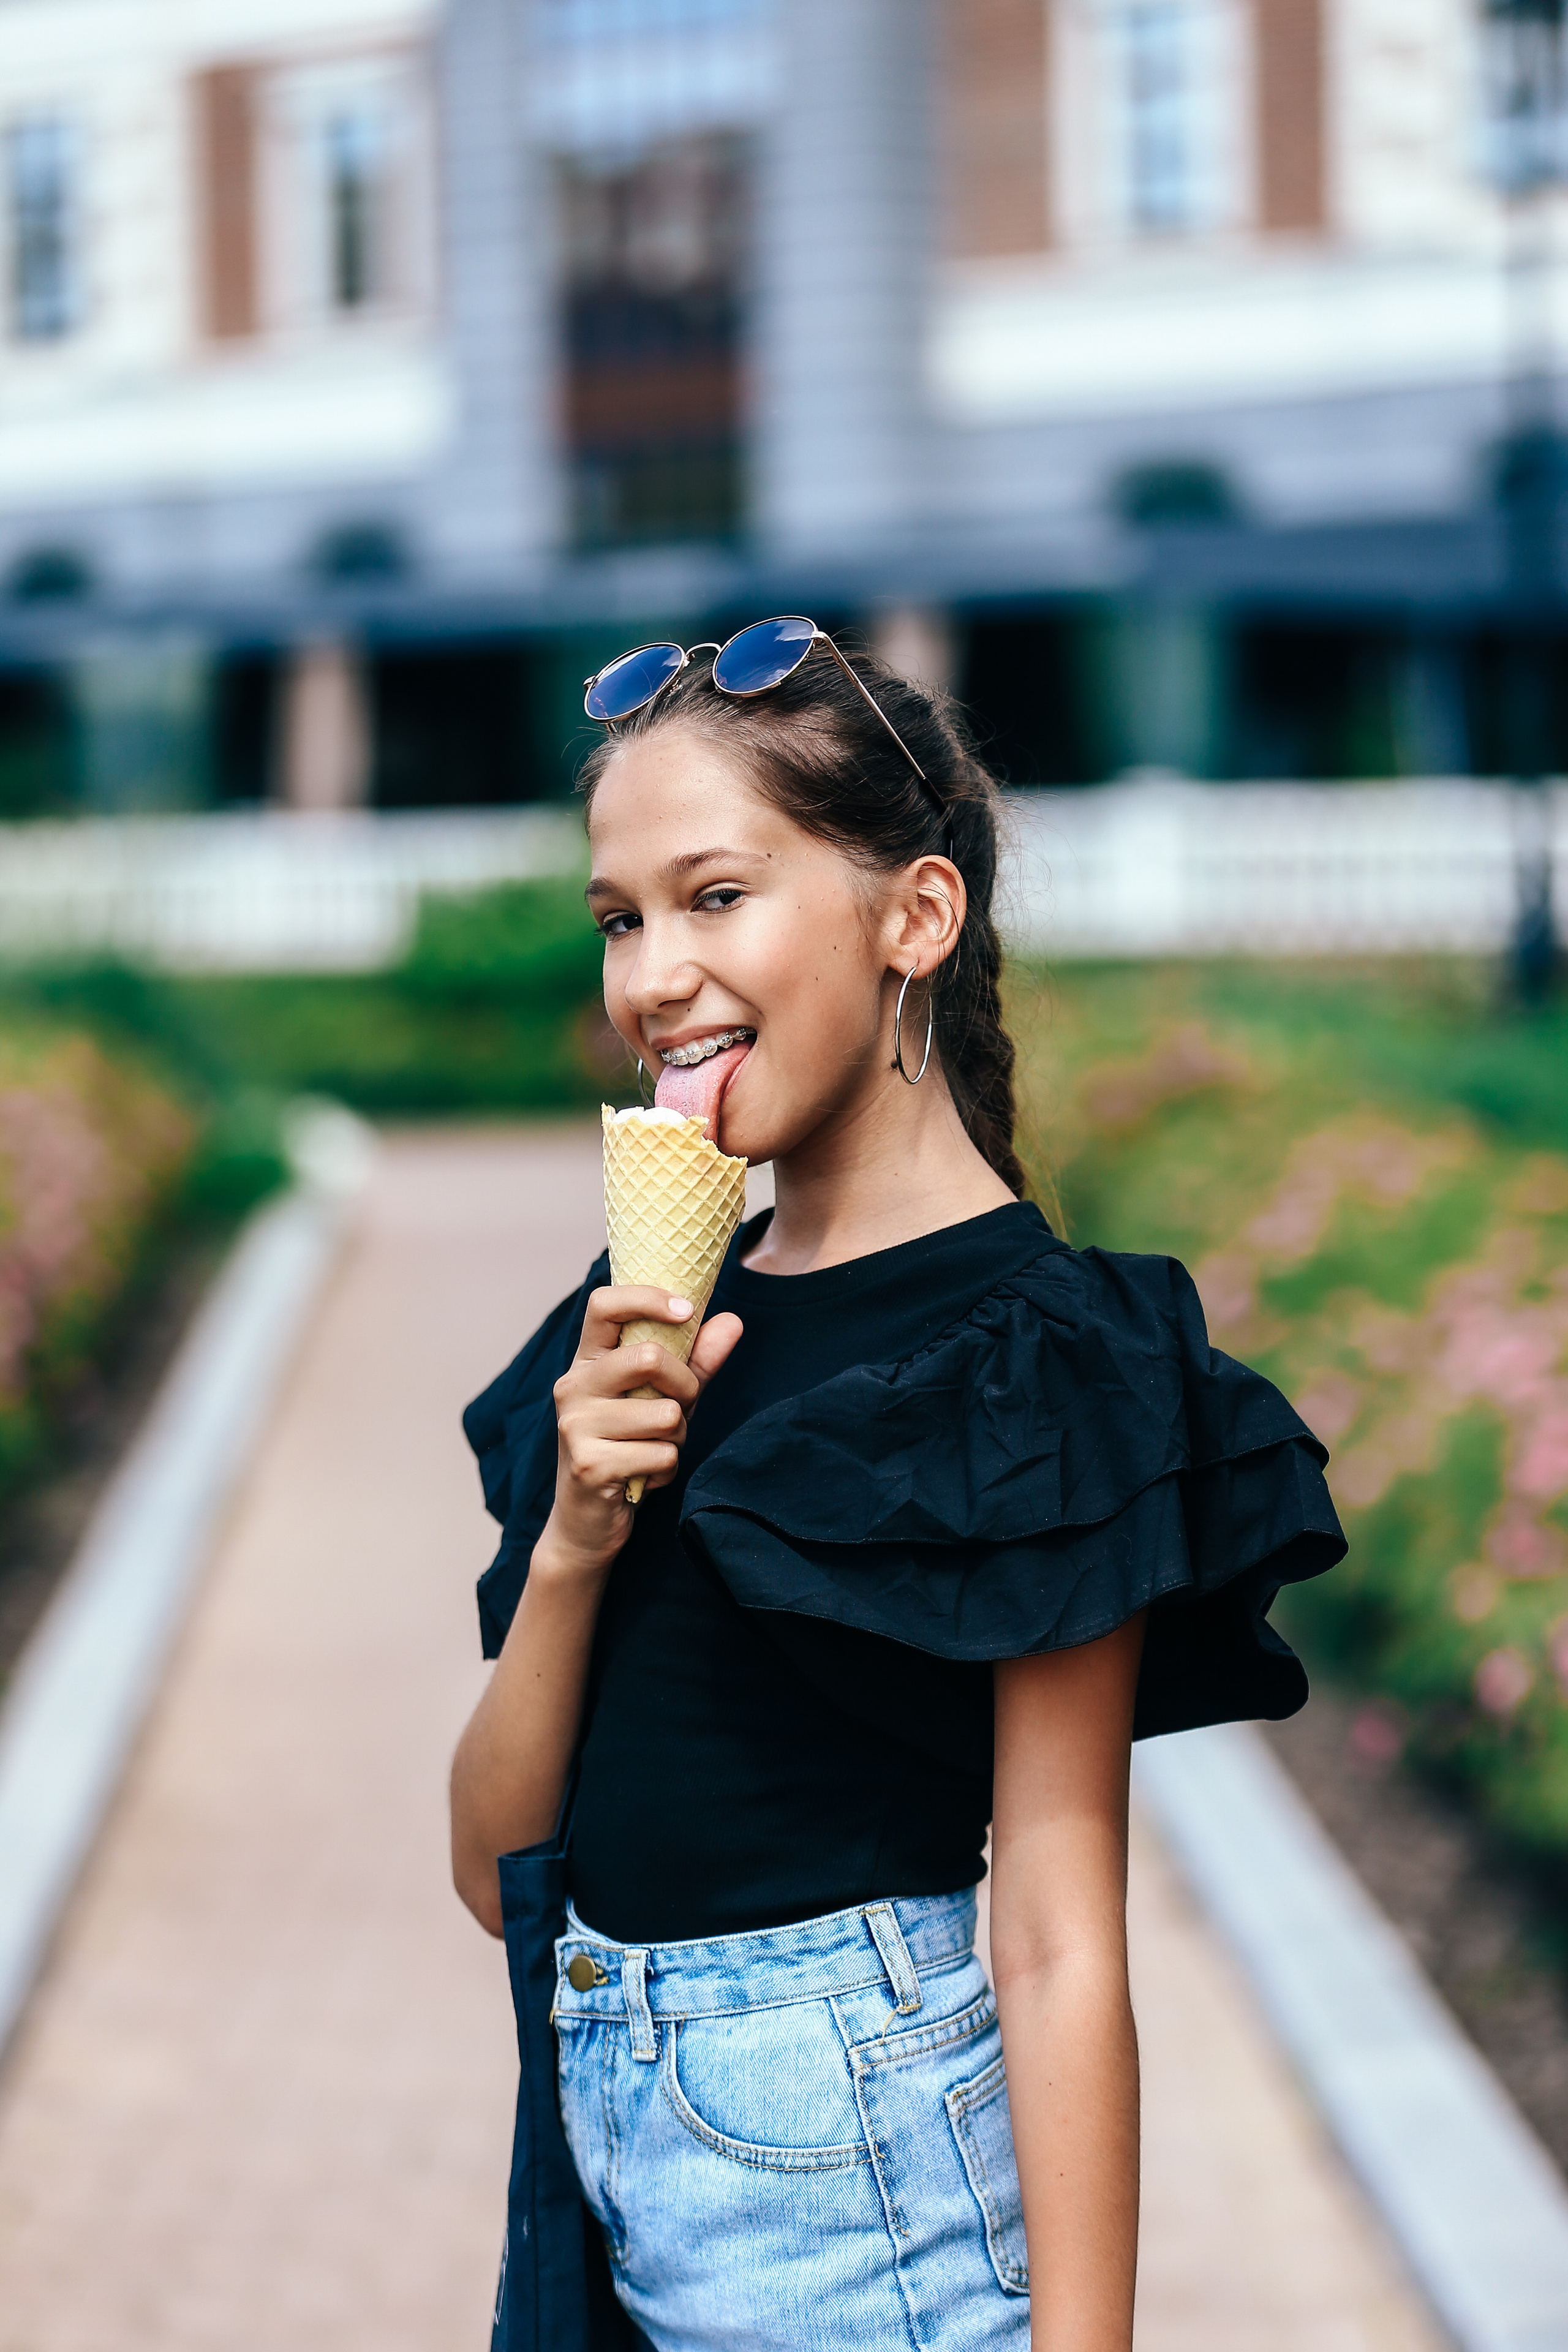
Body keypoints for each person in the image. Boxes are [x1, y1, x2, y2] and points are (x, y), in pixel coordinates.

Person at [451, 620, 1345, 2352]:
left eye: (716, 897)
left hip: (870, 2225)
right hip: (599, 2170)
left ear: (913, 919)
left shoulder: (1043, 1362)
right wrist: (573, 1539)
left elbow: (1063, 1943)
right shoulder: (645, 1318)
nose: (650, 976)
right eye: (621, 917)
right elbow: (498, 1874)